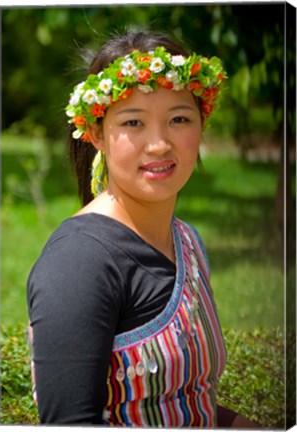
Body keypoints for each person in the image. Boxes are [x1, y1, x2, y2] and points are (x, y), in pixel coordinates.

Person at [27, 30, 260, 428]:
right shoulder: (79, 262)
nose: (159, 144)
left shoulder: (185, 240)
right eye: (133, 121)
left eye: (179, 119)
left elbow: (191, 400)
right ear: (97, 133)